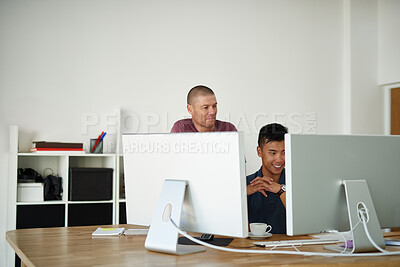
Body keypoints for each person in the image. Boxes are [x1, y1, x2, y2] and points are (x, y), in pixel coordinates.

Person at [246, 123, 288, 234]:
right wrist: (242, 192)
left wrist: (280, 190)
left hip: (290, 247)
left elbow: (302, 220)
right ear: (259, 152)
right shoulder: (246, 184)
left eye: (284, 152)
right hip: (252, 249)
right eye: (273, 153)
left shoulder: (297, 182)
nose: (279, 159)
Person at [171, 85, 237, 133]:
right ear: (190, 109)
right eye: (205, 107)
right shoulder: (181, 128)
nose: (212, 112)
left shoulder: (228, 130)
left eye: (214, 106)